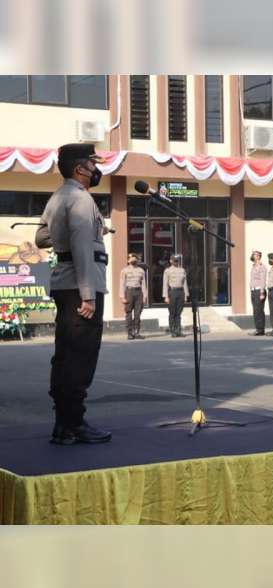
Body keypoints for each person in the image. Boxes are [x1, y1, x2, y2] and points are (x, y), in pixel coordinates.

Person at [35, 143, 111, 444]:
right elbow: (81, 247)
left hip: (64, 284)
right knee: (81, 355)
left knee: (66, 354)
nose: (95, 170)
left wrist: (66, 231)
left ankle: (63, 424)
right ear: (80, 168)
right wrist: (88, 295)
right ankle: (74, 424)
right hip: (81, 286)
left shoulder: (58, 196)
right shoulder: (80, 199)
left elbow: (41, 237)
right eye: (92, 164)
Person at [119, 252, 148, 340]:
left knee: (138, 313)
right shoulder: (124, 270)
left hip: (138, 292)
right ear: (128, 261)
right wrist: (122, 296)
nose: (132, 260)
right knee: (128, 313)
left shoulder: (141, 270)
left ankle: (137, 332)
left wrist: (145, 296)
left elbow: (143, 284)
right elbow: (122, 284)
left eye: (134, 258)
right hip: (129, 292)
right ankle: (130, 333)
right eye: (130, 259)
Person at [162, 254, 188, 337]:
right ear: (171, 261)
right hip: (172, 292)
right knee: (172, 312)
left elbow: (185, 283)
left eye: (177, 260)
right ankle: (172, 330)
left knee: (179, 313)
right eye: (174, 260)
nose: (176, 262)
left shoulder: (182, 270)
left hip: (180, 292)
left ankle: (178, 330)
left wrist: (186, 295)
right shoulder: (167, 271)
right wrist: (166, 296)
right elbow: (165, 284)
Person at [248, 250, 267, 336]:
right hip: (253, 290)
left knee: (259, 310)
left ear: (258, 256)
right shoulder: (253, 266)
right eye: (253, 254)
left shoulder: (261, 267)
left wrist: (262, 293)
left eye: (254, 254)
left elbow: (262, 280)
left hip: (259, 291)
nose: (252, 256)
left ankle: (260, 330)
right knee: (255, 311)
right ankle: (257, 329)